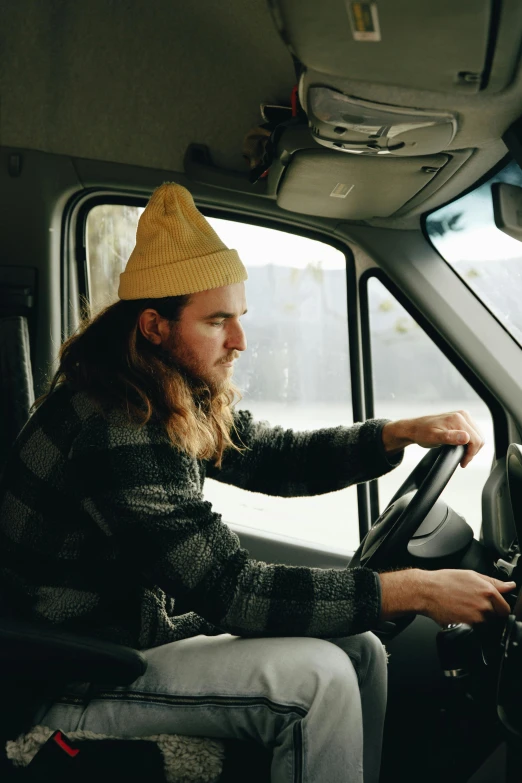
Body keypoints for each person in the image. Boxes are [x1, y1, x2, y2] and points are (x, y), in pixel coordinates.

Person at [0, 183, 514, 783]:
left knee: (361, 650)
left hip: (129, 633)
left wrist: (395, 433)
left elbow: (274, 455)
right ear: (154, 325)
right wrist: (416, 590)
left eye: (239, 318)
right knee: (317, 683)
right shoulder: (116, 423)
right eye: (218, 321)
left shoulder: (162, 390)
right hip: (77, 669)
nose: (240, 340)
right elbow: (229, 588)